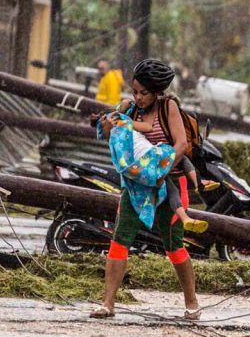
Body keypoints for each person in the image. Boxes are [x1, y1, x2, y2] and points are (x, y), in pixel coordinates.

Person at [89, 58, 201, 321]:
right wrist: (110, 120)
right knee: (120, 239)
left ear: (157, 92)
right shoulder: (132, 109)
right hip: (137, 186)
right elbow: (113, 134)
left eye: (144, 93)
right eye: (135, 91)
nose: (138, 97)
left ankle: (192, 303)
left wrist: (159, 171)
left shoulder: (168, 107)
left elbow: (181, 145)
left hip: (168, 184)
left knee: (173, 246)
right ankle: (108, 303)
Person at [98, 110, 208, 235]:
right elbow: (147, 127)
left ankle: (186, 218)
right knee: (180, 157)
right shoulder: (125, 123)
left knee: (169, 186)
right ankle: (197, 183)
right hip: (150, 157)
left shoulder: (114, 140)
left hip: (138, 169)